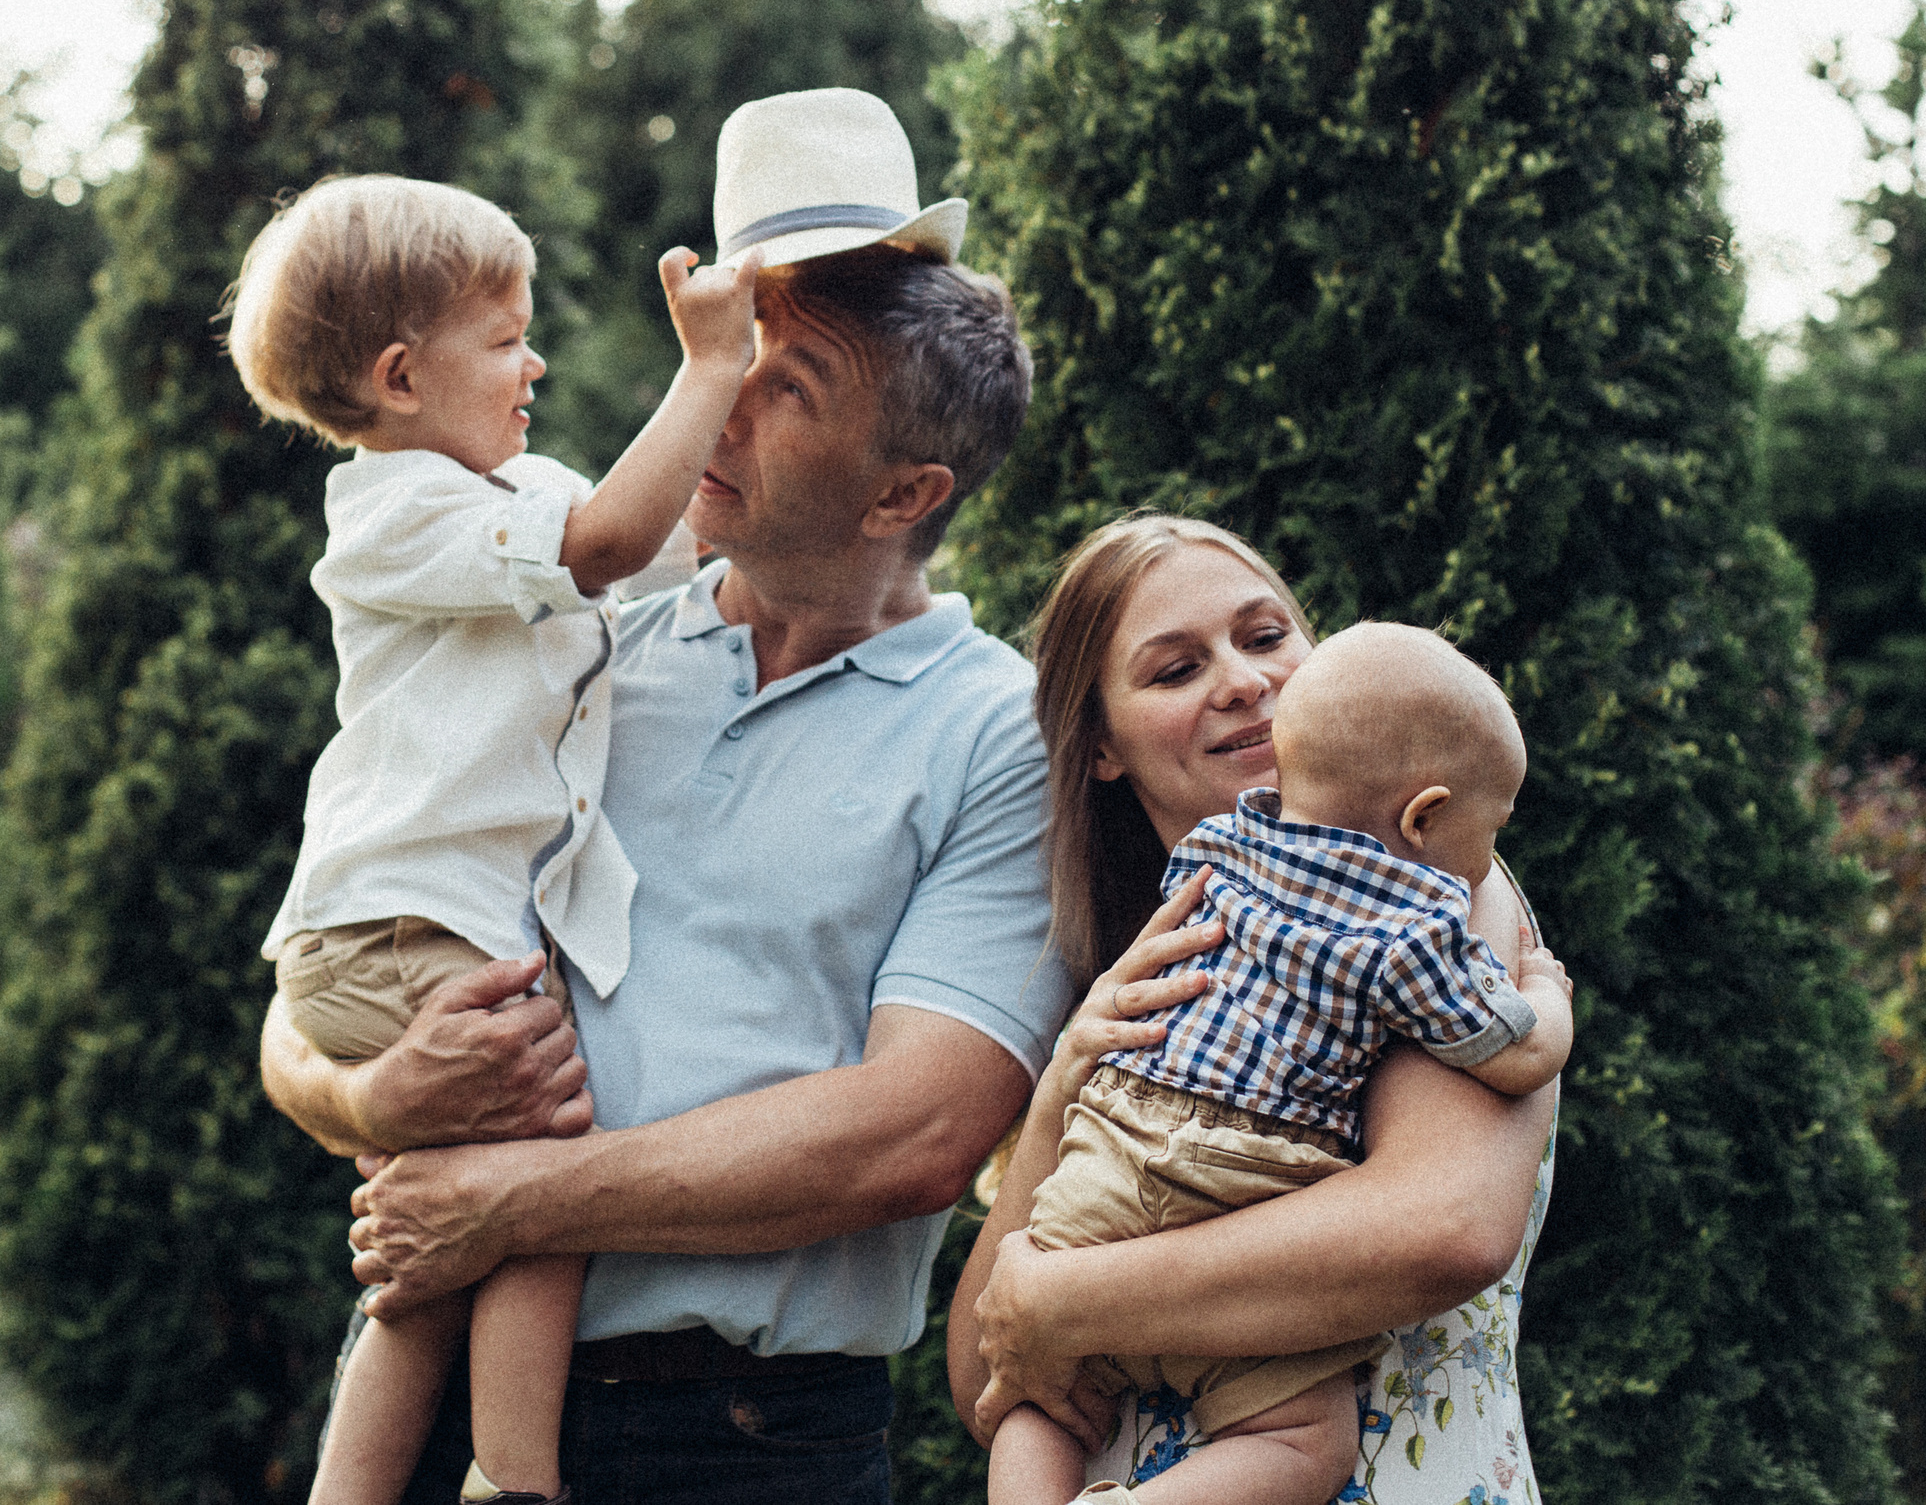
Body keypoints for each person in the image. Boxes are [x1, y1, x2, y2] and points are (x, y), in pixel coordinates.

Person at [261, 87, 1065, 1503]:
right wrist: (379, 1086)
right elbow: (325, 971)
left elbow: (916, 1131)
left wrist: (513, 1194)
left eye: (784, 386)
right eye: (724, 359)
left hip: (744, 1445)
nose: (717, 408)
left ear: (902, 494)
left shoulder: (1000, 732)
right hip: (445, 1397)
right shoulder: (580, 638)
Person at [225, 172, 762, 1505]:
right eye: (505, 336)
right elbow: (612, 539)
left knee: (435, 1248)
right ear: (403, 376)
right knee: (550, 1171)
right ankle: (516, 1476)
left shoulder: (512, 486)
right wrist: (711, 370)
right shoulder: (399, 504)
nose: (537, 359)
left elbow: (666, 556)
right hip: (403, 928)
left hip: (418, 924)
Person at [950, 515, 1562, 1505]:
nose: (1242, 681)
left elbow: (1445, 1226)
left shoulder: (1433, 899)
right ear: (1100, 746)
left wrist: (1062, 1298)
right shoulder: (1151, 950)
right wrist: (1067, 1079)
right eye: (1174, 669)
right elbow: (991, 1373)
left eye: (1266, 636)